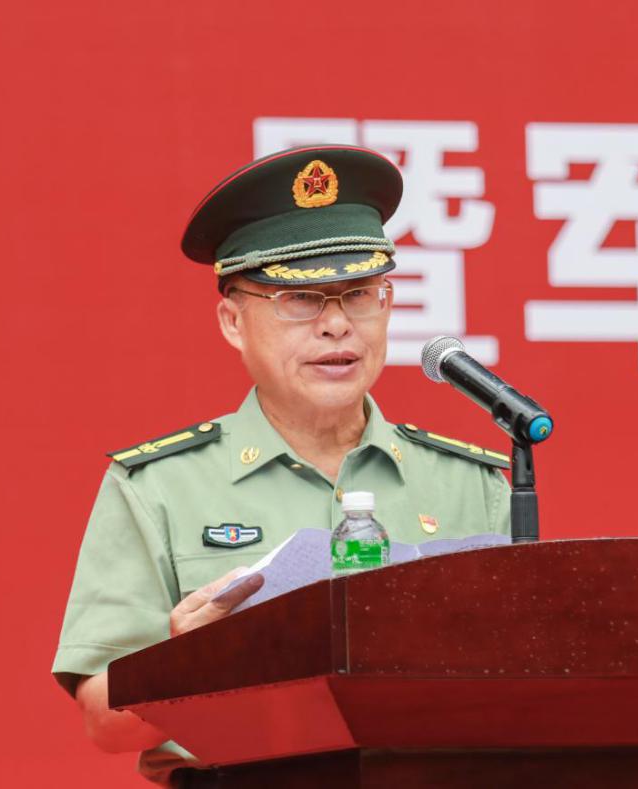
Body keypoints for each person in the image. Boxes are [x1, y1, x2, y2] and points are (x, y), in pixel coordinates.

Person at [52, 145, 511, 784]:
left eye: (358, 295)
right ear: (233, 321)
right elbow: (104, 724)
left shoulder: (472, 484)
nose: (336, 326)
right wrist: (187, 660)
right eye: (301, 301)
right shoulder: (160, 485)